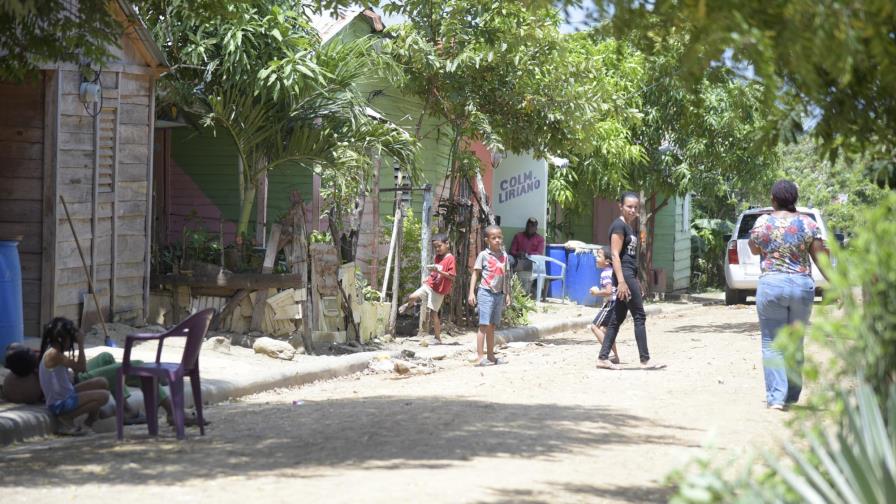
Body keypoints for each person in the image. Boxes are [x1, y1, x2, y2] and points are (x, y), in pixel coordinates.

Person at [749, 180, 829, 411]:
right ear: (795, 199)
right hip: (801, 286)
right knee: (795, 342)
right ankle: (792, 396)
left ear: (773, 199)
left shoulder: (763, 222)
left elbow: (755, 249)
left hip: (772, 284)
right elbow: (819, 257)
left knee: (771, 343)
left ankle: (776, 398)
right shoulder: (808, 223)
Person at [596, 192, 661, 370]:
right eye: (629, 207)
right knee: (639, 315)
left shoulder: (629, 228)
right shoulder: (618, 226)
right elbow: (615, 255)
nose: (632, 210)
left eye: (635, 207)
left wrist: (636, 279)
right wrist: (623, 282)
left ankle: (603, 358)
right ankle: (645, 359)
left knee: (617, 317)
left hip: (629, 274)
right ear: (621, 206)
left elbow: (629, 257)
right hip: (623, 275)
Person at [39, 317, 112, 434]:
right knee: (104, 396)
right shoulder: (54, 354)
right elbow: (82, 367)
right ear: (60, 339)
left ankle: (90, 421)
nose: (72, 341)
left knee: (102, 382)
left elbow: (78, 370)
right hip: (60, 403)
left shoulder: (53, 351)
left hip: (65, 395)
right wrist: (81, 344)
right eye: (69, 338)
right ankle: (67, 418)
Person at [398, 234, 457, 343]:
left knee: (433, 313)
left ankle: (438, 338)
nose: (437, 249)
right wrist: (429, 277)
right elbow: (435, 271)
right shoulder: (437, 257)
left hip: (439, 290)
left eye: (439, 246)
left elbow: (452, 276)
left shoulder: (451, 259)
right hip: (430, 284)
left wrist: (439, 272)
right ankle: (408, 305)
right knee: (412, 296)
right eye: (435, 247)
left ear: (447, 244)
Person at [468, 225, 512, 366]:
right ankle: (481, 357)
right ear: (487, 240)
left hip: (498, 294)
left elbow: (506, 276)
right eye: (494, 238)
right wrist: (471, 293)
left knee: (492, 326)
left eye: (499, 237)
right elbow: (476, 273)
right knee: (483, 325)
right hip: (485, 292)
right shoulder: (483, 255)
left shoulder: (504, 256)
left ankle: (491, 356)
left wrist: (507, 294)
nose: (497, 240)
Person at [589, 247, 620, 364]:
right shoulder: (612, 271)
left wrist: (596, 292)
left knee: (594, 326)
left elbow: (608, 291)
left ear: (607, 261)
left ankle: (609, 352)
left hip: (610, 304)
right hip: (616, 303)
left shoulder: (606, 273)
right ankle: (615, 356)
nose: (596, 259)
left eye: (599, 256)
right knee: (606, 330)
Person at [509, 218, 545, 295]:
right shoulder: (518, 236)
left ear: (536, 228)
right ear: (526, 226)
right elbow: (512, 251)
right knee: (508, 259)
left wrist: (527, 254)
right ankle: (509, 287)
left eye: (532, 226)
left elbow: (539, 253)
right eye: (528, 226)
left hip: (530, 262)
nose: (530, 228)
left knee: (532, 264)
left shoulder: (540, 239)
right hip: (517, 260)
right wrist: (518, 253)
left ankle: (524, 290)